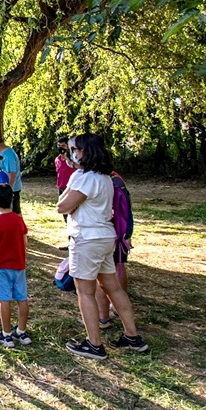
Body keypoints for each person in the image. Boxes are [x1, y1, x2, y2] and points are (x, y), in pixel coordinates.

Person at [57, 133, 148, 359]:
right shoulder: (105, 177)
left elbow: (62, 206)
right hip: (105, 237)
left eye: (76, 150)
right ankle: (132, 336)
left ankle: (94, 344)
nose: (73, 154)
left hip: (86, 239)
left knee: (85, 291)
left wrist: (73, 180)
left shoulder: (85, 178)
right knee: (112, 287)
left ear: (86, 152)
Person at [0, 184, 31, 348]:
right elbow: (25, 243)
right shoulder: (19, 220)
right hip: (19, 265)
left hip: (1, 266)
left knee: (4, 299)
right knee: (22, 298)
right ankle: (22, 331)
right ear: (11, 199)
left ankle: (6, 334)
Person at [96, 171, 134, 329]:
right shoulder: (116, 179)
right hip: (120, 233)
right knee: (118, 267)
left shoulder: (97, 181)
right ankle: (119, 312)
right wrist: (127, 233)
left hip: (105, 234)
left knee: (100, 276)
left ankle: (102, 317)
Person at [0, 135, 23, 214]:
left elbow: (12, 176)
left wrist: (8, 192)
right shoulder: (2, 153)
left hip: (12, 189)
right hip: (6, 189)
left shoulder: (8, 156)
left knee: (15, 212)